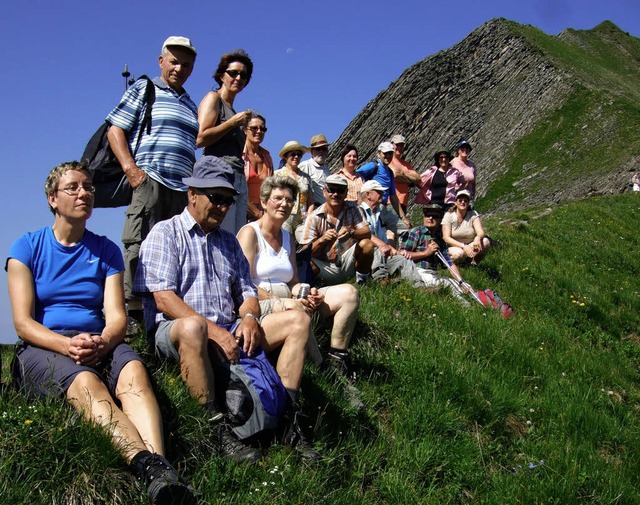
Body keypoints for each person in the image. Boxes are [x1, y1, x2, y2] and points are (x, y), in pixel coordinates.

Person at [6, 162, 196, 504]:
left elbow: (116, 317)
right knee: (86, 383)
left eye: (89, 187)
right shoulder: (26, 247)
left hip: (99, 339)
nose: (85, 193)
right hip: (45, 343)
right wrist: (67, 345)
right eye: (73, 188)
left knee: (135, 373)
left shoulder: (106, 250)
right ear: (52, 199)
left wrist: (104, 342)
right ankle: (147, 465)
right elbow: (23, 323)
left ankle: (162, 475)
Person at [135, 156, 320, 462]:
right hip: (178, 328)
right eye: (216, 198)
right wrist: (215, 331)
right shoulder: (165, 233)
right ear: (192, 194)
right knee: (195, 327)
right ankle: (215, 430)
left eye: (228, 201)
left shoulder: (229, 243)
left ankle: (289, 422)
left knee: (298, 320)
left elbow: (247, 292)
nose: (223, 207)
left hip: (228, 327)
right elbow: (164, 299)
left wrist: (248, 316)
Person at [106, 36, 199, 320]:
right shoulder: (144, 89)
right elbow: (115, 130)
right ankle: (133, 316)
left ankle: (162, 315)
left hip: (181, 189)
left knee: (173, 250)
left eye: (186, 64)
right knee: (139, 243)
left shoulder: (191, 104)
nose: (179, 69)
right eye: (174, 62)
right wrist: (133, 172)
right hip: (151, 180)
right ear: (161, 61)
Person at [237, 174, 360, 377]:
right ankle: (323, 370)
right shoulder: (250, 233)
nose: (284, 204)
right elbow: (243, 283)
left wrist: (308, 292)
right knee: (296, 307)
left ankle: (337, 356)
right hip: (260, 301)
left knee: (349, 293)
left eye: (289, 200)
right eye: (278, 198)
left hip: (287, 297)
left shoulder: (287, 236)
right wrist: (282, 301)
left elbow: (293, 281)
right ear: (264, 202)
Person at [197, 49, 254, 234]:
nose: (238, 78)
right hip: (219, 175)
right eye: (233, 73)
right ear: (222, 75)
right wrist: (232, 123)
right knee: (219, 232)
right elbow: (200, 138)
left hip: (237, 178)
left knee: (233, 238)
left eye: (243, 75)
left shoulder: (232, 109)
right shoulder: (214, 99)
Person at [300, 175, 374, 286]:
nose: (336, 194)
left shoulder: (354, 209)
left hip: (347, 261)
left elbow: (367, 232)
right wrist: (322, 240)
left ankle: (361, 282)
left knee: (367, 244)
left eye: (340, 190)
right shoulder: (314, 217)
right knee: (304, 262)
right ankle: (313, 288)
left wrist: (351, 233)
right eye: (332, 190)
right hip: (324, 266)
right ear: (324, 191)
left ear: (346, 193)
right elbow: (305, 252)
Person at [359, 180, 425, 288]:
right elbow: (364, 235)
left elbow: (399, 227)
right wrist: (384, 245)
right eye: (378, 192)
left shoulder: (381, 212)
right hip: (365, 257)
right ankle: (380, 280)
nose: (382, 194)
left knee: (403, 259)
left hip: (384, 254)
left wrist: (398, 250)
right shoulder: (357, 212)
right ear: (368, 195)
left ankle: (420, 287)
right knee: (376, 249)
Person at [399, 204, 469, 304]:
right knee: (449, 286)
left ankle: (475, 301)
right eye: (427, 215)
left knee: (457, 284)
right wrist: (426, 253)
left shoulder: (439, 239)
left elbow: (449, 264)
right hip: (416, 271)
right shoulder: (416, 232)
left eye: (435, 216)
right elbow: (401, 254)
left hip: (433, 274)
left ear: (440, 220)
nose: (430, 218)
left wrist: (461, 281)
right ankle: (465, 307)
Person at [356, 141, 412, 235]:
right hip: (371, 207)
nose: (388, 156)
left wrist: (403, 218)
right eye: (385, 153)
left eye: (390, 153)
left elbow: (393, 196)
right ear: (379, 153)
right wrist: (360, 198)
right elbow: (356, 176)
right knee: (373, 234)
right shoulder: (373, 166)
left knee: (405, 229)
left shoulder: (389, 172)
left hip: (384, 208)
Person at [274, 141, 315, 242]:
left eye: (299, 154)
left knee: (308, 243)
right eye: (293, 154)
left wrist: (309, 216)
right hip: (284, 217)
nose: (296, 157)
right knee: (284, 244)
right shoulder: (277, 174)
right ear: (285, 156)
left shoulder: (306, 177)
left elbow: (310, 202)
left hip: (302, 218)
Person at [442, 189, 491, 264]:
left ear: (468, 203)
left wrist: (477, 238)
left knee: (485, 242)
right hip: (452, 247)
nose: (463, 202)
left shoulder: (473, 214)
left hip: (469, 245)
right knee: (459, 253)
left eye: (465, 201)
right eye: (460, 200)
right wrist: (463, 246)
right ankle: (454, 266)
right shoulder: (448, 215)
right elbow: (446, 238)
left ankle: (473, 263)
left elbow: (480, 231)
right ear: (456, 202)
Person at [243, 114, 274, 221]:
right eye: (254, 128)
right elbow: (236, 188)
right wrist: (255, 212)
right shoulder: (239, 155)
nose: (259, 131)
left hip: (262, 213)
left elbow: (271, 189)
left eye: (262, 129)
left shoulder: (267, 157)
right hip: (240, 210)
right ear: (244, 130)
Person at [389, 134, 421, 216]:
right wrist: (410, 181)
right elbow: (395, 175)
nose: (399, 148)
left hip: (403, 202)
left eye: (401, 145)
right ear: (392, 145)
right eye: (397, 145)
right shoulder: (389, 160)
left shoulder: (406, 164)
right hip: (391, 201)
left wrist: (404, 173)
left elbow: (418, 178)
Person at [299, 134, 331, 205]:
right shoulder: (305, 165)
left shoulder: (327, 169)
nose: (321, 152)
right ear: (312, 151)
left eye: (324, 149)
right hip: (313, 209)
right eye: (318, 149)